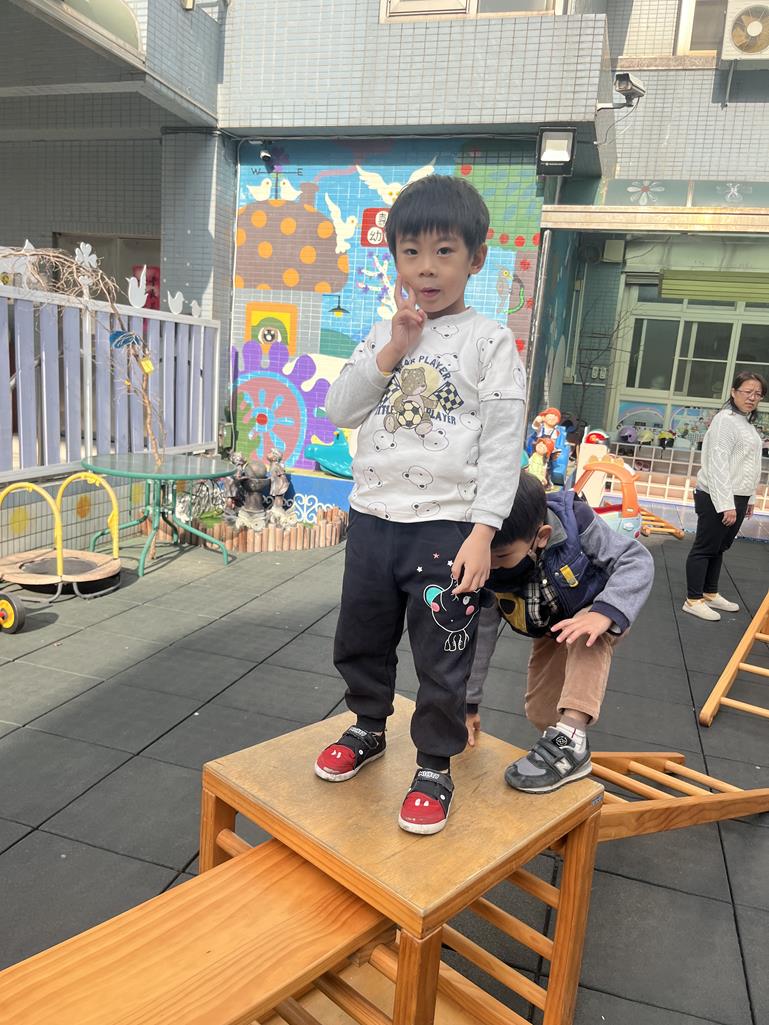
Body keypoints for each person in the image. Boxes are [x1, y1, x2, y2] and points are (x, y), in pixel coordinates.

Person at [313, 175, 526, 834]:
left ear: (475, 258)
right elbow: (338, 409)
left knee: (442, 651)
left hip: (445, 526)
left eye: (443, 251)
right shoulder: (385, 331)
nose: (426, 268)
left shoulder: (489, 341)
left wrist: (483, 532)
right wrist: (393, 348)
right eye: (411, 252)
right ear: (395, 258)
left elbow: (502, 444)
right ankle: (367, 725)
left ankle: (434, 763)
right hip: (373, 519)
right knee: (361, 634)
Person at [465, 471, 654, 793]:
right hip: (552, 628)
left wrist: (605, 611)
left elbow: (635, 559)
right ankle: (562, 739)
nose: (490, 566)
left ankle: (571, 738)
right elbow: (479, 640)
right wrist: (468, 704)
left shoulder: (577, 524)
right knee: (541, 711)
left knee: (585, 635)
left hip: (598, 612)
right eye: (484, 554)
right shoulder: (486, 568)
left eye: (501, 557)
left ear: (541, 537)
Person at [683, 370, 767, 621]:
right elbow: (717, 464)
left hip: (737, 496)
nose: (752, 397)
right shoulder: (725, 421)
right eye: (747, 391)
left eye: (758, 394)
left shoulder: (746, 423)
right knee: (705, 547)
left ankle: (709, 593)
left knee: (719, 547)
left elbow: (751, 465)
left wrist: (750, 498)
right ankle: (693, 599)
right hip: (716, 496)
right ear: (733, 392)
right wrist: (726, 504)